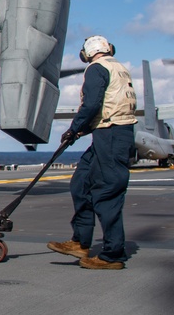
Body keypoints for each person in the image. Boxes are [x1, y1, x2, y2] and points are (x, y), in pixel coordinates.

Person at [48, 35, 137, 270]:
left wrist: (74, 128)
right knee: (81, 182)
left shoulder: (96, 69)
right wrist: (80, 132)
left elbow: (92, 104)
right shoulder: (118, 67)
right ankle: (80, 241)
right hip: (106, 134)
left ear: (86, 54)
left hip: (112, 136)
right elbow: (106, 106)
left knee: (106, 193)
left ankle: (112, 255)